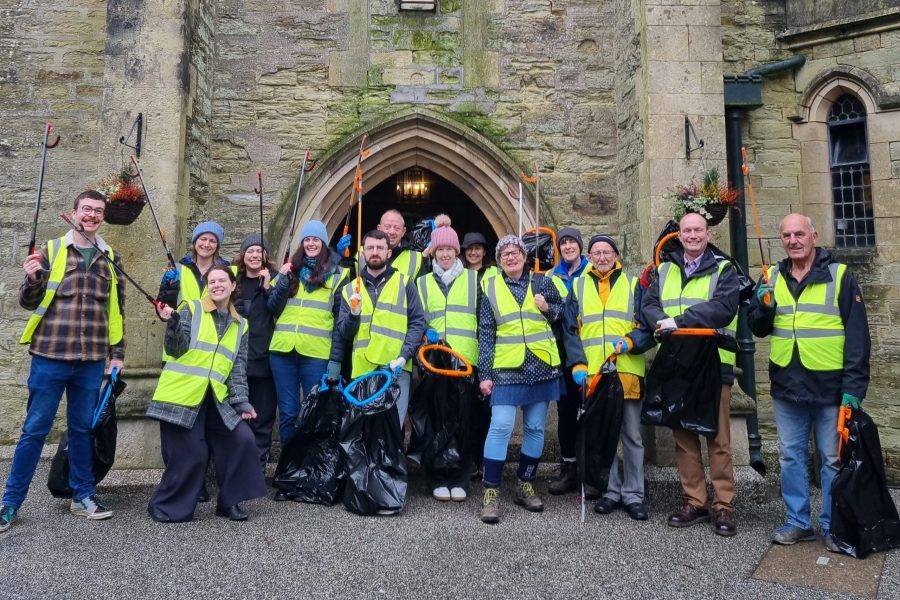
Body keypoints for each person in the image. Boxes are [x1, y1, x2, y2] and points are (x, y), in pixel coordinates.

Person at [1, 191, 125, 532]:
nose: (92, 215)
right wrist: (33, 278)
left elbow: (116, 310)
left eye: (98, 211)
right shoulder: (51, 250)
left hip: (90, 361)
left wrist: (117, 355)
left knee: (82, 430)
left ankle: (82, 495)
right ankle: (10, 503)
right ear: (74, 213)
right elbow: (28, 302)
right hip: (49, 357)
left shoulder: (110, 255)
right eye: (87, 209)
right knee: (34, 430)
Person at [748, 214, 870, 551]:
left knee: (832, 459)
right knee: (790, 456)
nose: (793, 240)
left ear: (814, 235)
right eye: (786, 235)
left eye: (799, 233)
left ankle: (833, 525)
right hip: (787, 384)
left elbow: (858, 338)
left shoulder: (840, 276)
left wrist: (854, 390)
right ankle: (799, 522)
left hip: (830, 386)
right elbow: (758, 328)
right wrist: (763, 306)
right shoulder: (772, 276)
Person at [641, 211, 740, 537]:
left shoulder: (725, 269)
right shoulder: (666, 269)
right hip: (678, 363)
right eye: (687, 231)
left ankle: (723, 505)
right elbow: (649, 304)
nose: (693, 235)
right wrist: (661, 320)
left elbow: (723, 308)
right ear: (679, 236)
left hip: (714, 363)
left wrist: (678, 321)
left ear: (708, 233)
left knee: (718, 439)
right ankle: (694, 501)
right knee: (684, 437)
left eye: (698, 230)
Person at [148, 265, 267, 523]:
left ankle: (228, 502)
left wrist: (242, 402)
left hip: (215, 398)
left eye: (222, 280)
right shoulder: (191, 308)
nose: (216, 285)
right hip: (180, 395)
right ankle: (165, 504)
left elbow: (237, 369)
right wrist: (173, 324)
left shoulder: (241, 325)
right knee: (194, 454)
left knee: (243, 439)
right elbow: (176, 349)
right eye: (211, 281)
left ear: (234, 285)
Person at [562, 234, 654, 519]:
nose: (602, 257)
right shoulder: (578, 286)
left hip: (626, 370)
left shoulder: (633, 284)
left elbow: (647, 326)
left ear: (616, 256)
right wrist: (577, 364)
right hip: (595, 373)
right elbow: (570, 330)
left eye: (607, 252)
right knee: (603, 435)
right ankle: (611, 491)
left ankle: (634, 494)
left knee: (631, 436)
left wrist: (632, 341)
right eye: (596, 253)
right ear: (589, 256)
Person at [477, 235, 565, 524]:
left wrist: (548, 309)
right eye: (505, 254)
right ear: (499, 260)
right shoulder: (489, 287)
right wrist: (485, 375)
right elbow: (487, 333)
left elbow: (562, 313)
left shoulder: (542, 282)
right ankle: (491, 491)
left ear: (525, 257)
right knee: (500, 426)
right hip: (506, 368)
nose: (511, 258)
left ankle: (525, 483)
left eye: (516, 253)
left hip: (541, 364)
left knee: (536, 428)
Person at [327, 229, 426, 430]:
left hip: (395, 368)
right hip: (363, 370)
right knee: (364, 431)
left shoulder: (405, 283)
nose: (375, 252)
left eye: (380, 248)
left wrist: (404, 355)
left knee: (392, 429)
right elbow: (344, 333)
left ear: (389, 253)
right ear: (362, 252)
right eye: (370, 247)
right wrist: (354, 314)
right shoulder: (350, 289)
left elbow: (417, 323)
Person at [268, 221, 347, 462]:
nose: (311, 243)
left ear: (324, 244)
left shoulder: (338, 275)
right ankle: (290, 466)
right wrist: (281, 281)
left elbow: (340, 324)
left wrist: (335, 361)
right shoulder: (289, 271)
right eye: (307, 239)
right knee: (289, 412)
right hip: (282, 353)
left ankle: (310, 466)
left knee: (314, 412)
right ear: (302, 243)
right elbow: (272, 307)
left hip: (316, 354)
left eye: (316, 240)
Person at [416, 224, 479, 502]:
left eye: (449, 249)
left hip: (465, 360)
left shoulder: (474, 280)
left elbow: (484, 323)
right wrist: (424, 335)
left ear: (457, 251)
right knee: (435, 419)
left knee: (464, 421)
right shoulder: (421, 282)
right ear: (434, 252)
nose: (444, 254)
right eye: (440, 249)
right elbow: (415, 320)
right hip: (433, 361)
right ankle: (436, 477)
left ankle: (459, 477)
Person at [547, 227, 591, 496]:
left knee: (592, 413)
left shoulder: (592, 272)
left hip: (591, 352)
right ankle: (569, 468)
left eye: (572, 242)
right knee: (566, 413)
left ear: (580, 246)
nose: (567, 246)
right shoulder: (552, 276)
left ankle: (591, 468)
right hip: (563, 355)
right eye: (563, 243)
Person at [232, 234, 278, 472]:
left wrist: (269, 288)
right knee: (237, 418)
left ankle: (257, 468)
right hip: (236, 363)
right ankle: (237, 467)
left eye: (259, 251)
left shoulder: (275, 281)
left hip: (265, 361)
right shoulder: (233, 282)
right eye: (250, 251)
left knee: (263, 418)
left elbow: (280, 309)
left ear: (266, 257)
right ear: (243, 255)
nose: (254, 255)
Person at [379, 209, 424, 281]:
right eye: (387, 227)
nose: (392, 232)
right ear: (379, 228)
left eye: (397, 228)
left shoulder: (416, 258)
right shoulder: (362, 254)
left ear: (403, 231)